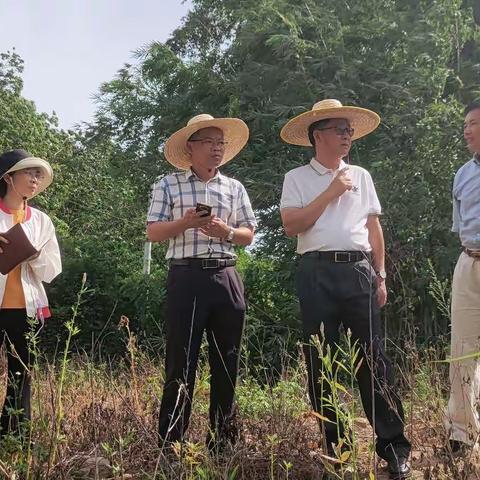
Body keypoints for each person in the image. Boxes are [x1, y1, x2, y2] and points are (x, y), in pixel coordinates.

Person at [279, 99, 411, 479]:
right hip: (315, 272)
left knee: (373, 361)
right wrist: (331, 192)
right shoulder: (297, 178)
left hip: (358, 272)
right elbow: (292, 226)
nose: (347, 136)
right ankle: (337, 448)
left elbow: (373, 229)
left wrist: (381, 275)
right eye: (340, 130)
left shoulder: (362, 175)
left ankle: (394, 448)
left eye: (349, 131)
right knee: (320, 363)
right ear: (318, 135)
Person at [146, 114, 256, 453]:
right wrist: (185, 222)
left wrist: (227, 233)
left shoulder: (234, 187)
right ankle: (172, 446)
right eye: (210, 142)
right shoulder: (168, 184)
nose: (216, 149)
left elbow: (249, 234)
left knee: (228, 361)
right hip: (187, 276)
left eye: (221, 143)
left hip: (226, 275)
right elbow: (153, 231)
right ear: (190, 147)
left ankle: (223, 444)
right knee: (180, 361)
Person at [0, 148, 61, 438]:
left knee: (21, 374)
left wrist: (32, 255)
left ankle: (15, 436)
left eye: (38, 174)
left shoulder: (42, 221)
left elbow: (52, 270)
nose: (35, 179)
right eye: (28, 173)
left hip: (28, 308)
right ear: (9, 178)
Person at [445, 101, 480, 455]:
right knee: (462, 351)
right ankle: (462, 433)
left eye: (472, 123)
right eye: (465, 124)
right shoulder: (462, 174)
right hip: (468, 263)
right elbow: (460, 226)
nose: (466, 130)